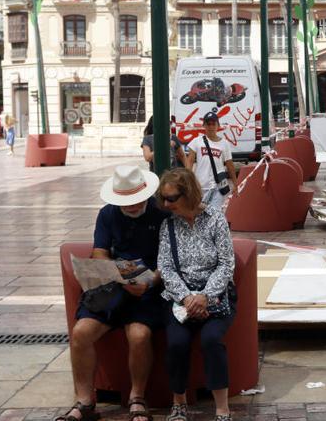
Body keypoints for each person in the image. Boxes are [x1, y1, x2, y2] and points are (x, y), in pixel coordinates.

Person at [56, 166, 168, 421]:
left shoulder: (161, 214)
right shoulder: (107, 214)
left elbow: (169, 259)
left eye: (135, 201)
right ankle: (85, 401)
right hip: (114, 287)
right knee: (81, 332)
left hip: (149, 290)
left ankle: (137, 397)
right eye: (124, 202)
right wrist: (115, 271)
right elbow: (100, 251)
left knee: (139, 335)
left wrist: (151, 281)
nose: (130, 206)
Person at [157, 168, 235, 421]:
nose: (166, 204)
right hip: (181, 298)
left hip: (215, 296)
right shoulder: (168, 226)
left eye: (171, 198)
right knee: (177, 343)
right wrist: (187, 298)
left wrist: (205, 296)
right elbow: (165, 267)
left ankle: (222, 409)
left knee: (211, 340)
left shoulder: (215, 219)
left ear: (188, 194)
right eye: (163, 198)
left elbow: (226, 263)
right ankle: (179, 402)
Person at [185, 112, 239, 210]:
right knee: (200, 215)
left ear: (218, 125)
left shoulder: (225, 144)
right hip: (200, 187)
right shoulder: (196, 141)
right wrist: (188, 181)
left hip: (218, 186)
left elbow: (229, 165)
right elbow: (189, 162)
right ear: (204, 125)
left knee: (215, 214)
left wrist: (235, 184)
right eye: (208, 124)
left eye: (213, 124)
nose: (210, 127)